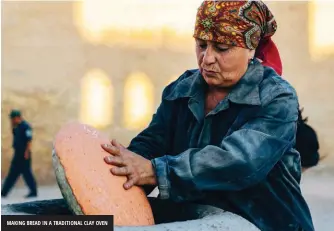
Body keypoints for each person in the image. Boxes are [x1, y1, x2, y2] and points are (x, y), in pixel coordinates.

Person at [101, 1, 314, 230]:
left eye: (222, 48)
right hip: (194, 215)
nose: (207, 58)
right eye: (201, 45)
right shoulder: (182, 88)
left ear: (250, 49)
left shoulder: (276, 97)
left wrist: (155, 171)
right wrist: (123, 171)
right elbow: (153, 141)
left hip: (263, 221)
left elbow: (240, 162)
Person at [1, 109, 38, 198]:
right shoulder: (16, 127)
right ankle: (4, 192)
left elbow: (29, 140)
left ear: (17, 118)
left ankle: (33, 192)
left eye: (12, 119)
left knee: (26, 174)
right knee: (13, 173)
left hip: (24, 154)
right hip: (17, 154)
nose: (12, 121)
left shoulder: (26, 127)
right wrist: (12, 125)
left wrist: (26, 152)